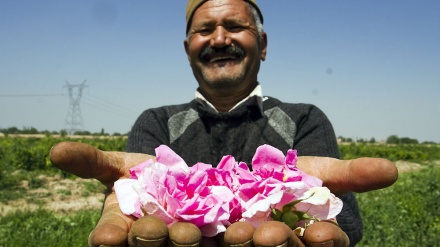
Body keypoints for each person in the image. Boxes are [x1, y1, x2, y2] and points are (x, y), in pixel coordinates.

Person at [50, 0, 398, 246]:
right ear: (188, 49)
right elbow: (134, 213)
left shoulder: (303, 118)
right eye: (205, 30)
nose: (219, 39)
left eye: (235, 26)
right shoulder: (156, 122)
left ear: (262, 44)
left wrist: (293, 208)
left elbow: (344, 224)